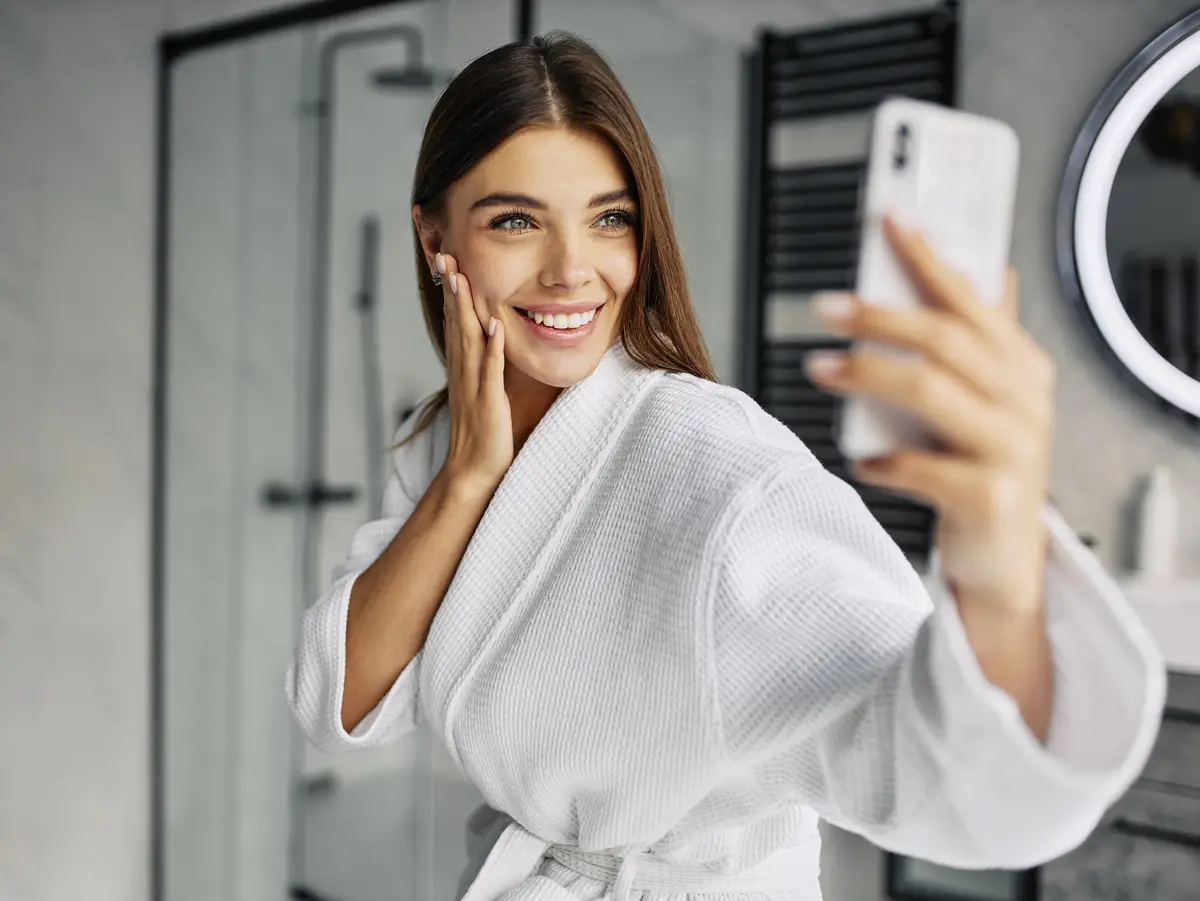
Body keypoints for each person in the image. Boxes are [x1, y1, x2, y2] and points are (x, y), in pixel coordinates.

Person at [286, 31, 1165, 901]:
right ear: (434, 232)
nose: (571, 271)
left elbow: (948, 772)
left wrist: (999, 562)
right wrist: (469, 478)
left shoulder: (710, 464)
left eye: (609, 218)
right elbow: (339, 702)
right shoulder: (440, 443)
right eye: (516, 220)